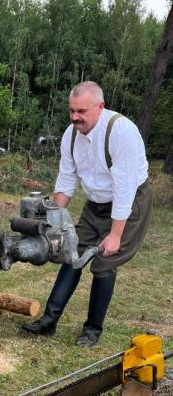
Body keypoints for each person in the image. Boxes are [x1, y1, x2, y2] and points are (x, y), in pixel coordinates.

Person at [22, 81, 152, 347]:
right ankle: (48, 321)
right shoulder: (71, 135)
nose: (74, 117)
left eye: (81, 111)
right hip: (96, 203)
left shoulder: (121, 132)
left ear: (100, 107)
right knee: (72, 252)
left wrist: (115, 235)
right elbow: (66, 180)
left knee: (104, 261)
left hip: (130, 202)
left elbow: (125, 188)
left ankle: (92, 331)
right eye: (71, 110)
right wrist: (52, 221)